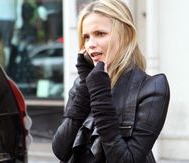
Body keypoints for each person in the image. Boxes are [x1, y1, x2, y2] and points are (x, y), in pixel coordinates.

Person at [52, 0, 170, 162]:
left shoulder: (152, 88)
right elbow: (61, 150)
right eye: (86, 37)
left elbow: (125, 159)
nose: (91, 44)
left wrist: (100, 94)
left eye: (100, 34)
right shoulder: (81, 85)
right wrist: (86, 87)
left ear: (126, 35)